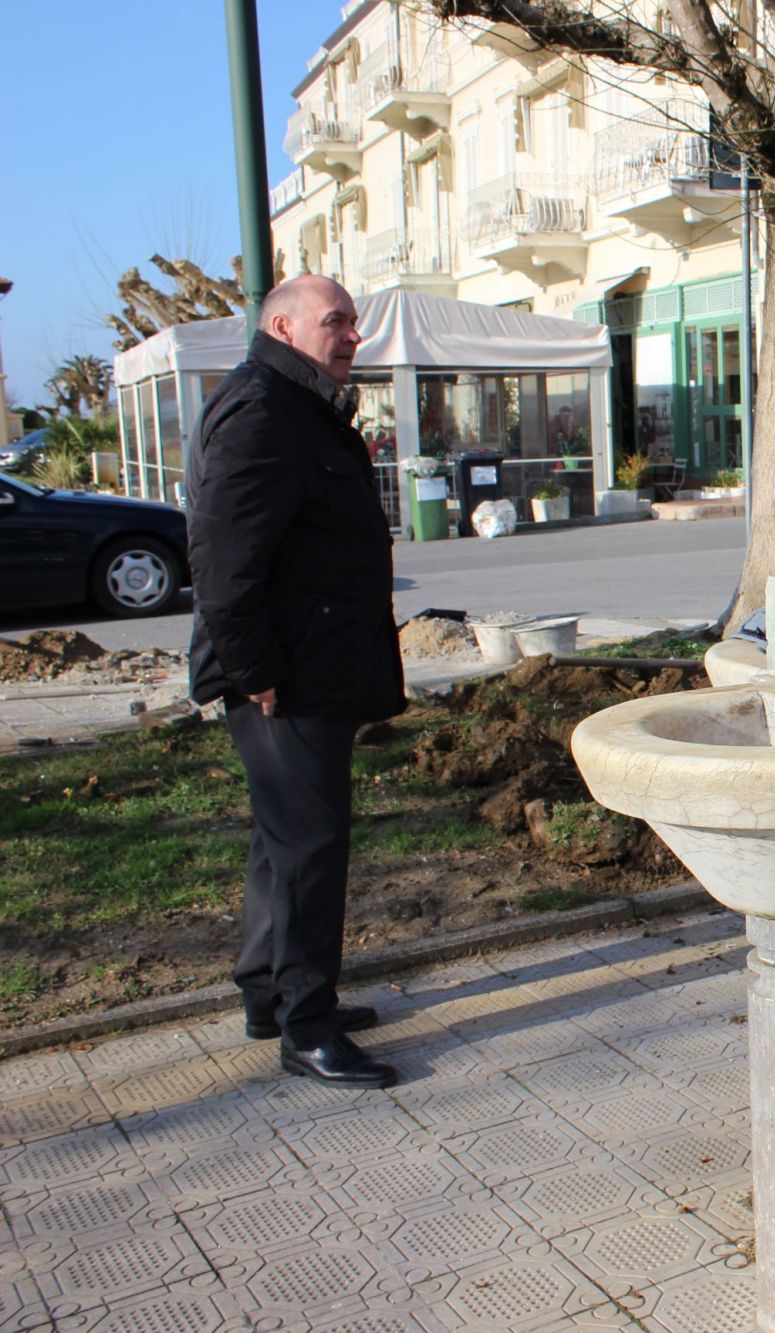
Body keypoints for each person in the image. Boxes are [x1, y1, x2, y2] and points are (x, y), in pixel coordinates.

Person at [186, 275, 406, 1090]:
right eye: (335, 321)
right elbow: (222, 558)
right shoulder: (266, 411)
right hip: (286, 681)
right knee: (312, 848)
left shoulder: (297, 403)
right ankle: (306, 1027)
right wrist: (255, 673)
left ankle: (268, 995)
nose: (352, 335)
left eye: (353, 322)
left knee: (281, 843)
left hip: (307, 670)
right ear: (281, 325)